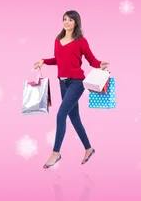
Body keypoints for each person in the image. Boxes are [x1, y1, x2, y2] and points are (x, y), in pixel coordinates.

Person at [34, 10, 110, 169]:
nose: (66, 22)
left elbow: (91, 59)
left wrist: (100, 64)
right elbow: (58, 59)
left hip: (77, 82)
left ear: (76, 22)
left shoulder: (81, 41)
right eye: (64, 19)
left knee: (61, 114)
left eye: (70, 20)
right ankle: (89, 149)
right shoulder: (58, 40)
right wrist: (43, 61)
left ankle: (56, 153)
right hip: (62, 83)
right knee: (74, 118)